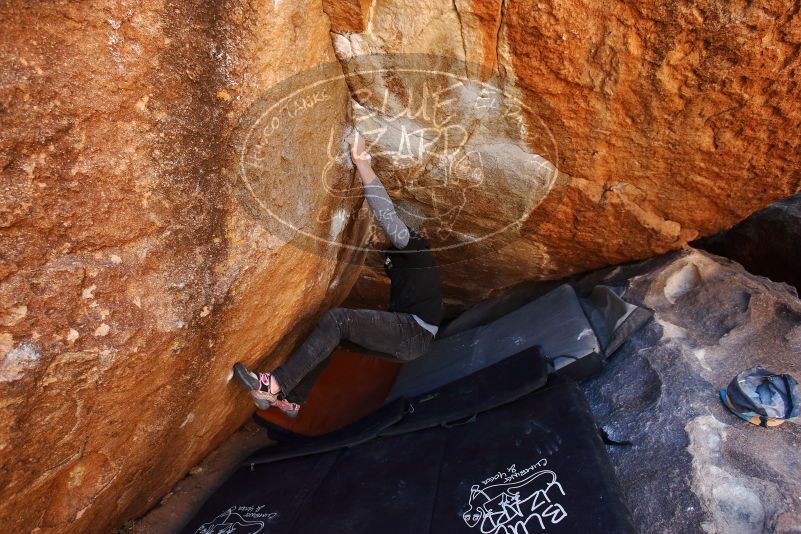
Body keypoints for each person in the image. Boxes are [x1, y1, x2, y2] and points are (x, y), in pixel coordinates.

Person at [232, 131, 443, 417]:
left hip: (413, 332)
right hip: (413, 342)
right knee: (337, 337)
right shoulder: (408, 263)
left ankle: (274, 384)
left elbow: (386, 215)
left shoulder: (415, 247)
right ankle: (292, 399)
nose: (382, 237)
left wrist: (362, 161)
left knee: (339, 320)